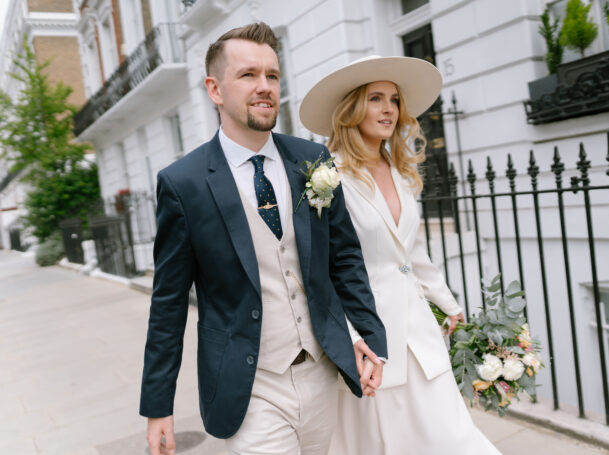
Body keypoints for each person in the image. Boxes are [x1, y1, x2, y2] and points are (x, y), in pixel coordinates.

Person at [139, 24, 388, 455]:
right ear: (215, 90)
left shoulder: (311, 160)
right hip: (249, 386)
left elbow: (345, 256)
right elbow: (169, 302)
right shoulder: (183, 183)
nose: (265, 87)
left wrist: (370, 338)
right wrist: (157, 405)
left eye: (272, 75)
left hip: (321, 372)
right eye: (248, 75)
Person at [300, 55, 501, 454]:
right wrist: (352, 338)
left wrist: (449, 304)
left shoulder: (400, 171)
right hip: (372, 342)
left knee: (453, 437)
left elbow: (414, 252)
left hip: (420, 332)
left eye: (393, 99)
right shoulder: (327, 177)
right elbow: (320, 271)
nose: (389, 108)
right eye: (375, 98)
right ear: (353, 108)